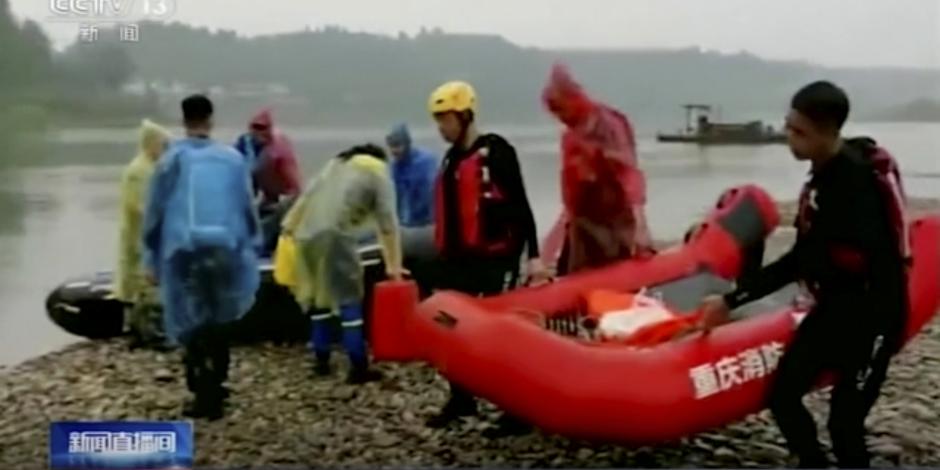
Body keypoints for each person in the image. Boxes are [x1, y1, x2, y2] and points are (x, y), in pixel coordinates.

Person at [698, 81, 909, 468]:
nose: (788, 138)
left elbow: (803, 260)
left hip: (875, 315)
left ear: (828, 132)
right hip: (835, 308)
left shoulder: (852, 186)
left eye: (799, 132)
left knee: (845, 423)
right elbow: (809, 257)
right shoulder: (823, 174)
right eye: (788, 125)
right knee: (783, 396)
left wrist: (732, 300)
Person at [425, 80, 550, 438]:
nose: (441, 127)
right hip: (460, 261)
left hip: (497, 259)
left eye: (445, 119)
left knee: (502, 336)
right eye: (437, 120)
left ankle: (517, 410)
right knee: (448, 326)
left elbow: (522, 204)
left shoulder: (496, 152)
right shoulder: (452, 160)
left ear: (464, 115)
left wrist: (535, 257)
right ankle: (461, 397)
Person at [143, 95, 261, 420]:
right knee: (219, 315)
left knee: (190, 318)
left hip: (184, 250)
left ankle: (202, 393)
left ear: (183, 121)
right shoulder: (233, 159)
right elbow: (246, 207)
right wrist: (252, 244)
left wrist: (149, 257)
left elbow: (154, 212)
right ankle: (219, 383)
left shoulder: (171, 160)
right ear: (210, 119)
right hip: (225, 246)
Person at [281, 143, 407, 384]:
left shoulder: (335, 165)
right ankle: (358, 366)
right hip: (336, 236)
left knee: (319, 298)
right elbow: (388, 223)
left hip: (304, 234)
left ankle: (321, 361)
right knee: (349, 300)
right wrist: (394, 266)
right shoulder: (378, 171)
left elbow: (307, 195)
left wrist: (289, 227)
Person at [542, 63, 653, 275]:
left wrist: (641, 225)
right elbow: (571, 199)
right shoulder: (571, 136)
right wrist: (552, 244)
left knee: (617, 272)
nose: (560, 118)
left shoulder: (607, 125)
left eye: (561, 109)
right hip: (583, 225)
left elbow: (629, 174)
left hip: (615, 221)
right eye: (555, 113)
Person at [114, 119, 171, 350]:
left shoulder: (149, 167)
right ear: (151, 144)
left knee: (142, 282)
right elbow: (141, 206)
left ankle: (138, 331)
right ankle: (151, 334)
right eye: (162, 145)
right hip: (141, 233)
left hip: (144, 233)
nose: (165, 150)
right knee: (145, 282)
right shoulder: (140, 170)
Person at [234, 108, 302, 254]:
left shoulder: (279, 150)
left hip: (284, 197)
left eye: (263, 128)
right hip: (263, 195)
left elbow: (295, 186)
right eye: (256, 128)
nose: (259, 133)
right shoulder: (246, 144)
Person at [386, 123, 439, 228]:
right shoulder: (396, 167)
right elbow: (398, 198)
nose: (394, 151)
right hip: (411, 221)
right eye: (391, 146)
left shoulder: (424, 162)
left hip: (430, 220)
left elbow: (428, 197)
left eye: (397, 146)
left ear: (407, 144)